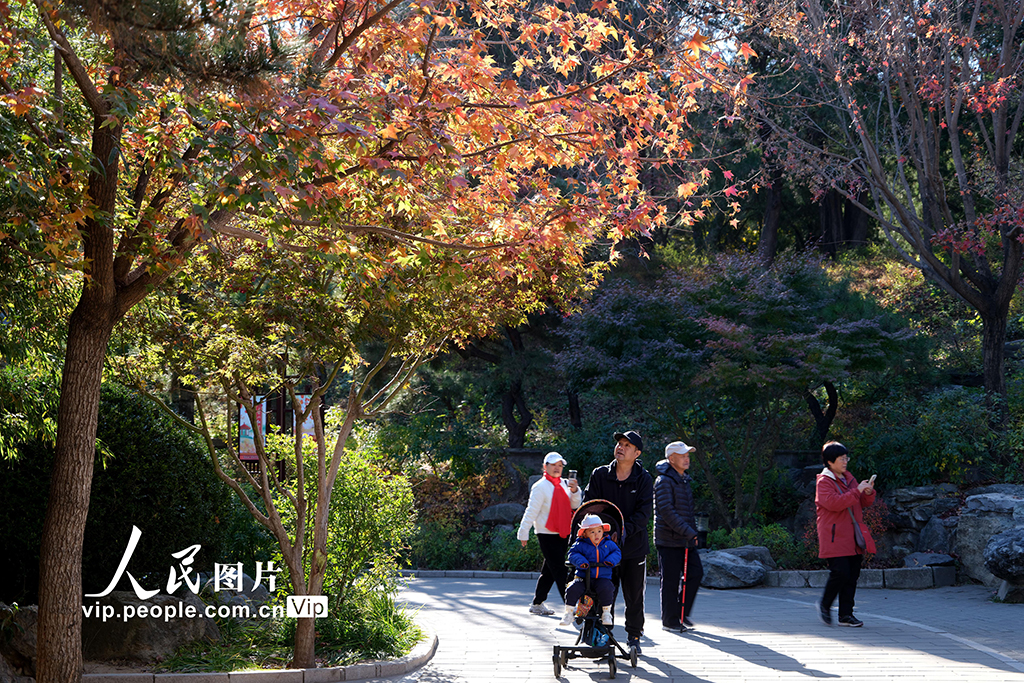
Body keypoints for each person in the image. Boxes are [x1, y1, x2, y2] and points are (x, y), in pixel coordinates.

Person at [583, 430, 653, 653]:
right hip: (603, 548)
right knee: (604, 593)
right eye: (619, 444)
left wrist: (622, 532)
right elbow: (590, 506)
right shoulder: (600, 475)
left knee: (634, 596)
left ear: (637, 452)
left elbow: (643, 515)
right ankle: (602, 634)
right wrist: (603, 532)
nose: (620, 447)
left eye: (626, 445)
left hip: (633, 548)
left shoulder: (644, 478)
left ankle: (633, 636)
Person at [815, 441, 876, 627]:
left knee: (852, 575)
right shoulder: (824, 482)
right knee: (840, 573)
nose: (845, 461)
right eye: (841, 459)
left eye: (845, 458)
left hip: (852, 536)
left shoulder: (849, 478)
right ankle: (825, 605)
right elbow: (834, 503)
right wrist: (856, 491)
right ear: (830, 462)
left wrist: (867, 492)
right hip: (834, 537)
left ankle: (846, 615)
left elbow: (860, 503)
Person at [517, 451, 582, 615]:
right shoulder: (540, 486)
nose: (557, 468)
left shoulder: (565, 484)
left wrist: (575, 491)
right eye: (553, 465)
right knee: (560, 569)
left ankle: (537, 603)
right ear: (545, 467)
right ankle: (570, 605)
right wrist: (523, 532)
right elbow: (531, 511)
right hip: (546, 533)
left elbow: (575, 505)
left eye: (560, 465)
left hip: (563, 531)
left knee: (550, 570)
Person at [654, 440, 703, 632]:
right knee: (671, 581)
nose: (686, 459)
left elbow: (685, 512)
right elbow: (667, 512)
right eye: (682, 456)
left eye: (688, 455)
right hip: (668, 539)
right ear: (671, 458)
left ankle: (681, 613)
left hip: (684, 538)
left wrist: (692, 533)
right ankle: (670, 620)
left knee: (696, 573)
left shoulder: (684, 479)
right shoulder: (664, 481)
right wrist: (689, 532)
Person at [560, 513, 622, 626]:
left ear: (603, 531)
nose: (596, 535)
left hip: (602, 577)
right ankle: (568, 613)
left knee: (608, 588)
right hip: (583, 578)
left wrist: (610, 561)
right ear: (585, 533)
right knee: (572, 588)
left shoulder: (608, 544)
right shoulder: (580, 544)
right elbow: (572, 554)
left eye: (599, 531)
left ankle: (606, 612)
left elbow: (617, 552)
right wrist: (581, 562)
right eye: (592, 532)